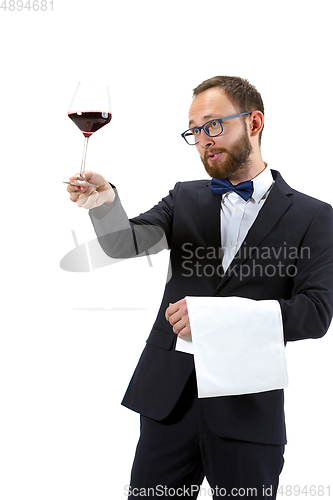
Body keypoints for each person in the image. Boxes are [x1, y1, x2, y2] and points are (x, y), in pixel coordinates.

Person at [66, 76, 333, 499]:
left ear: (255, 122)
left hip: (247, 410)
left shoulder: (314, 216)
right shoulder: (184, 198)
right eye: (194, 131)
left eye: (213, 125)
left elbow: (315, 314)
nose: (203, 139)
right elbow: (124, 243)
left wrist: (212, 319)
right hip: (168, 401)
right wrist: (106, 205)